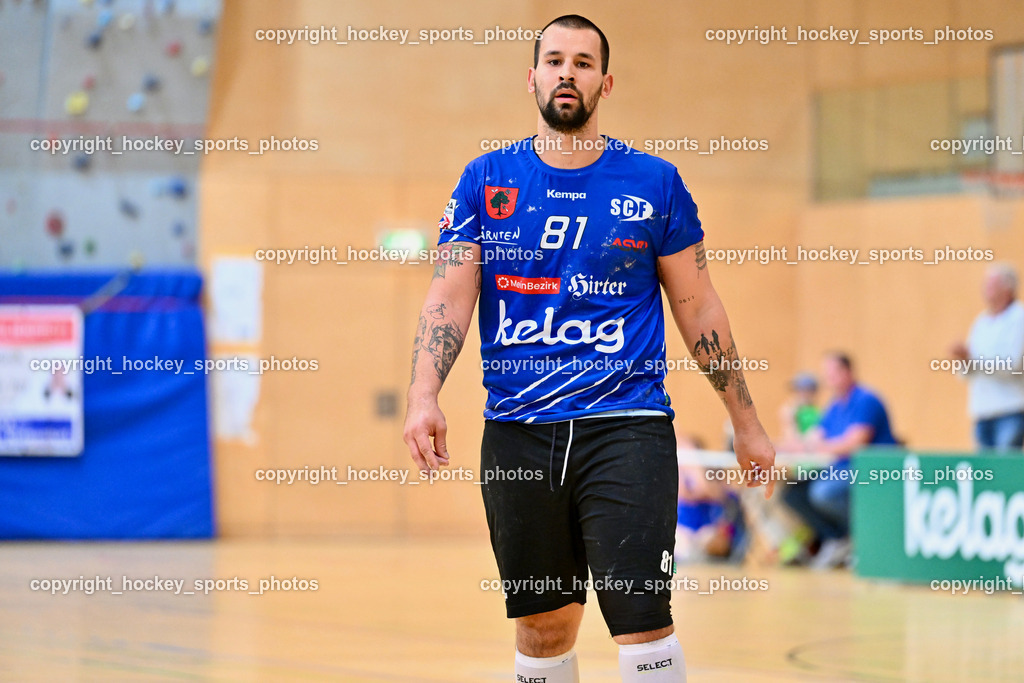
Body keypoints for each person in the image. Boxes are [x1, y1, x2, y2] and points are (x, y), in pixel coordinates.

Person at [402, 15, 775, 683]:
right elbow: (449, 296)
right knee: (543, 625)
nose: (566, 72)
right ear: (532, 78)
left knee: (641, 618)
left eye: (581, 62)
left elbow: (699, 307)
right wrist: (422, 393)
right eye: (554, 60)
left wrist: (745, 423)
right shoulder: (484, 180)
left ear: (606, 82)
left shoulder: (654, 183)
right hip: (518, 431)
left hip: (626, 427)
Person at [782, 352, 897, 569]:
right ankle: (836, 538)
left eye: (833, 373)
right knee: (792, 493)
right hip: (838, 469)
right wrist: (780, 437)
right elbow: (812, 439)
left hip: (869, 470)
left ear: (847, 372)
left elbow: (855, 443)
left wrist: (820, 446)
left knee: (823, 492)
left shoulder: (866, 400)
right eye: (826, 374)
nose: (829, 379)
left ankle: (864, 538)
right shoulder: (835, 406)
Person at [950, 263, 1024, 450]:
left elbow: (1013, 365)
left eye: (992, 285)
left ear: (1008, 289)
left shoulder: (1019, 318)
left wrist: (973, 359)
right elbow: (965, 375)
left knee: (1004, 471)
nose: (986, 290)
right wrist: (964, 360)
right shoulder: (981, 323)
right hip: (982, 412)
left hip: (1010, 410)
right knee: (985, 474)